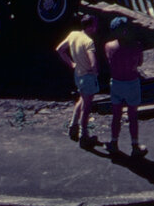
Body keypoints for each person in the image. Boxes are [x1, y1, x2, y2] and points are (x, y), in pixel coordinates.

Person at [103, 16, 147, 158]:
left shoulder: (108, 46)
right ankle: (135, 146)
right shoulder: (136, 46)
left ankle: (114, 143)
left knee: (116, 115)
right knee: (132, 115)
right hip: (131, 82)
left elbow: (109, 62)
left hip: (116, 82)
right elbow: (139, 63)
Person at [55, 13, 99, 147]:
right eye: (95, 25)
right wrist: (95, 72)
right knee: (87, 107)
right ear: (90, 27)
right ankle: (83, 135)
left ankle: (73, 126)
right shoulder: (88, 42)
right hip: (87, 77)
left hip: (78, 74)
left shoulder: (73, 34)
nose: (96, 27)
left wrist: (71, 64)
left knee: (82, 99)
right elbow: (93, 63)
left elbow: (59, 50)